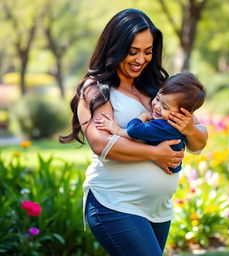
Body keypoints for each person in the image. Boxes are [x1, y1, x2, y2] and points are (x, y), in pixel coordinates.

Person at [60, 8, 208, 256]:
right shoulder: (97, 89)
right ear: (115, 48)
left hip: (158, 208)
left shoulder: (159, 88)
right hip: (115, 204)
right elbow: (102, 144)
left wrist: (189, 128)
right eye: (133, 52)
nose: (141, 59)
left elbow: (199, 141)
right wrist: (155, 154)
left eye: (148, 52)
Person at [94, 72, 206, 174]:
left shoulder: (165, 126)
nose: (157, 107)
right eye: (157, 99)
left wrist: (121, 128)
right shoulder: (171, 118)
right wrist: (156, 153)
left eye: (165, 107)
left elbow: (135, 130)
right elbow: (100, 145)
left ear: (184, 113)